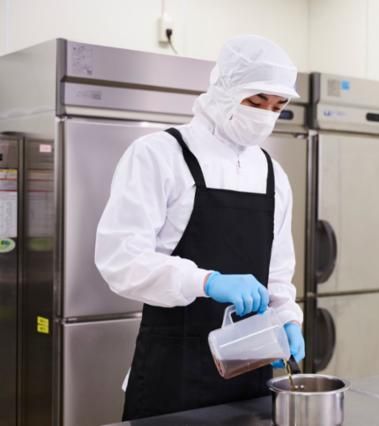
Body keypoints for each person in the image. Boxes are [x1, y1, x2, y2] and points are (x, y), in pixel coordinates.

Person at [95, 34, 304, 420]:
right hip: (173, 377)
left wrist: (288, 318)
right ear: (224, 90)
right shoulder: (159, 154)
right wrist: (207, 282)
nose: (265, 115)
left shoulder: (273, 174)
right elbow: (120, 260)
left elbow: (277, 275)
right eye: (256, 101)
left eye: (277, 106)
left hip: (250, 375)